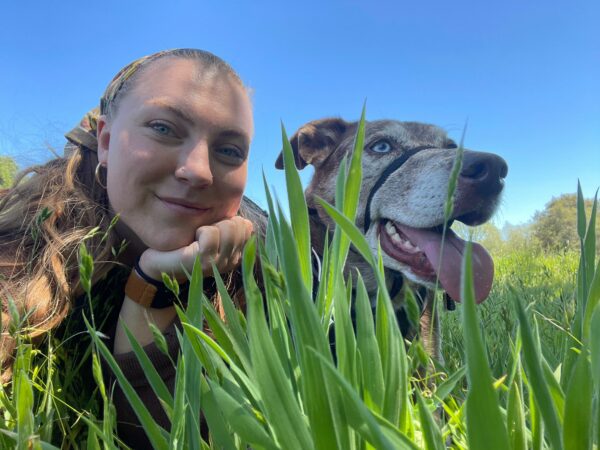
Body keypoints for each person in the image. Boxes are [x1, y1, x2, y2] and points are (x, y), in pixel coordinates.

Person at [0, 48, 264, 446]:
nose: (198, 170)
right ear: (105, 141)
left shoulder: (259, 278)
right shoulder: (19, 238)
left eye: (229, 150)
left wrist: (153, 288)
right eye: (163, 128)